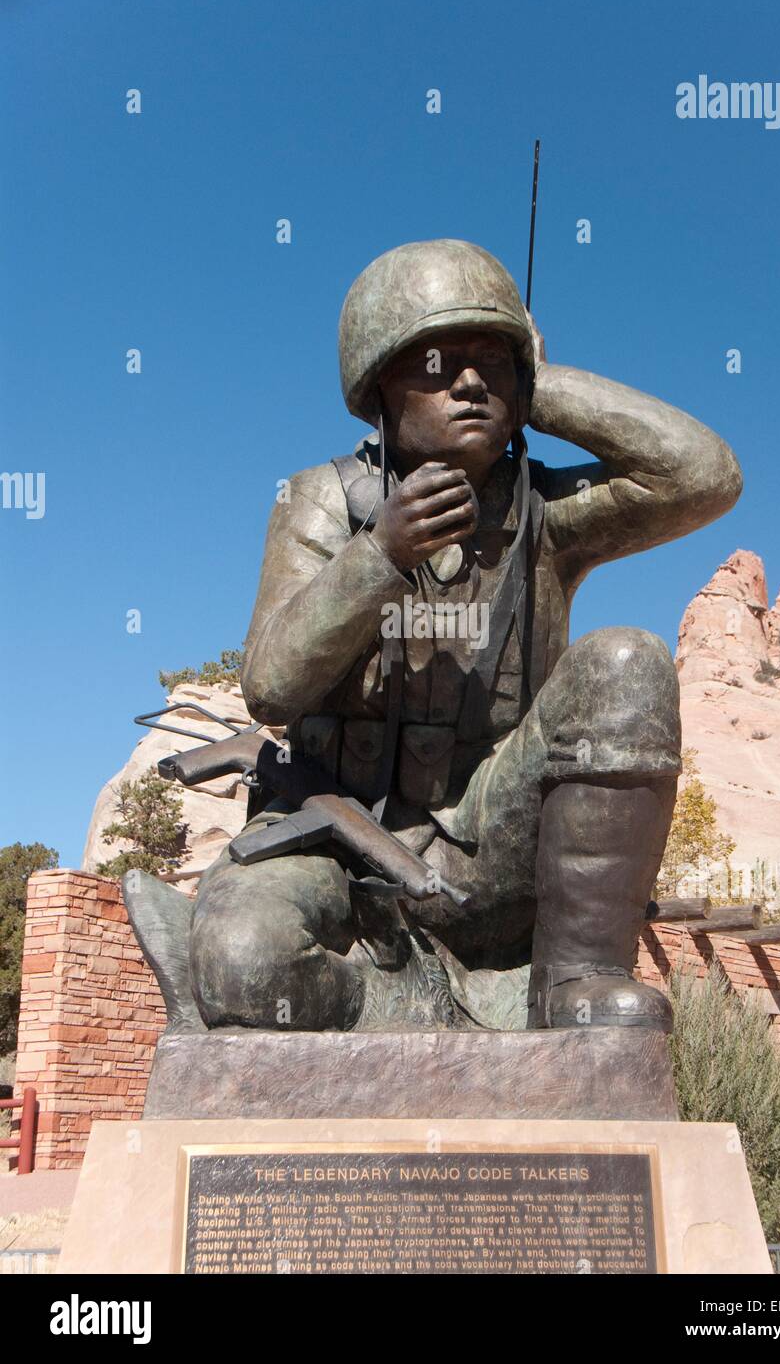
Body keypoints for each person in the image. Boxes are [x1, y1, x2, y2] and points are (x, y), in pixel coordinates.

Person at [188, 239, 742, 1033]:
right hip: (332, 835)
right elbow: (271, 687)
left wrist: (542, 388)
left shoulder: (542, 515)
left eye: (494, 363)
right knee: (242, 965)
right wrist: (379, 554)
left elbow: (703, 476)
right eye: (439, 363)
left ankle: (573, 981)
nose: (471, 382)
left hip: (488, 841)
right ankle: (405, 1006)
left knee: (626, 662)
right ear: (379, 385)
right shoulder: (322, 501)